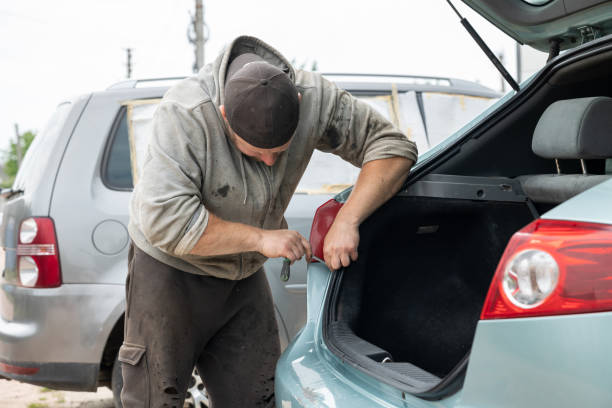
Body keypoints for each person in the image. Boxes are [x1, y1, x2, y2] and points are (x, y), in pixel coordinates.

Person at [120, 35, 417, 407]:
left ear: (297, 102)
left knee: (259, 397)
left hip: (242, 277)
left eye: (279, 151)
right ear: (224, 114)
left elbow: (393, 148)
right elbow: (166, 221)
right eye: (256, 153)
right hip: (169, 274)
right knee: (153, 400)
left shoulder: (315, 98)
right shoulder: (185, 115)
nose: (271, 164)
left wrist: (348, 218)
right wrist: (261, 239)